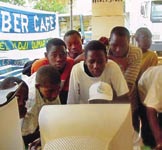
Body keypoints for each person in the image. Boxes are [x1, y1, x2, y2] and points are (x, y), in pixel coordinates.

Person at [67, 40, 129, 104]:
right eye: (91, 62)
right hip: (85, 111)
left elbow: (123, 96)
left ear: (106, 59)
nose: (96, 66)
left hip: (108, 110)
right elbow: (72, 101)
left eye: (100, 61)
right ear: (85, 60)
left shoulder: (112, 67)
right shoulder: (77, 70)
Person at [108, 26, 142, 132]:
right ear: (109, 41)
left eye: (123, 46)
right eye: (114, 45)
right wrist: (114, 59)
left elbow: (127, 86)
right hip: (106, 108)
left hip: (129, 105)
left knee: (131, 139)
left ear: (129, 42)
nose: (118, 49)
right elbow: (80, 59)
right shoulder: (102, 50)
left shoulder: (135, 53)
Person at [22, 65, 61, 147]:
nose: (55, 95)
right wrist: (41, 138)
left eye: (58, 90)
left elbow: (56, 116)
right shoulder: (30, 100)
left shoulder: (50, 86)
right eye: (50, 91)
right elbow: (26, 136)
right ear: (38, 87)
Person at [31, 38, 74, 104]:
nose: (59, 59)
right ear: (46, 55)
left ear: (66, 54)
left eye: (62, 54)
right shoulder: (39, 66)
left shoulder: (71, 64)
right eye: (54, 55)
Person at [138, 65, 162, 150]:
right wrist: (159, 141)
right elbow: (150, 110)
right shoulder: (160, 80)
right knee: (149, 131)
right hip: (144, 88)